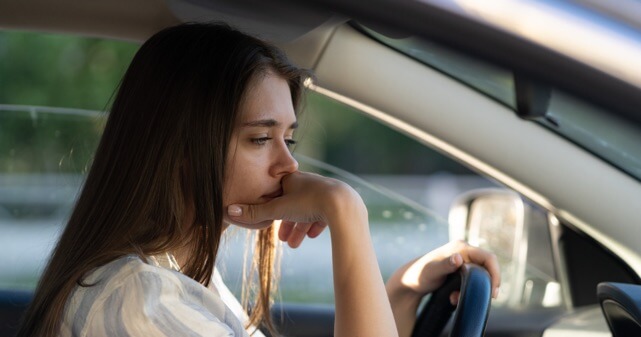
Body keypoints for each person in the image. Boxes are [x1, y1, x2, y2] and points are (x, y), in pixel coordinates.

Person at [17, 22, 500, 337]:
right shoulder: (142, 303)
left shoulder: (177, 279)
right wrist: (345, 210)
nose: (287, 165)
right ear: (182, 149)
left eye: (288, 139)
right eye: (258, 139)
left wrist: (399, 291)